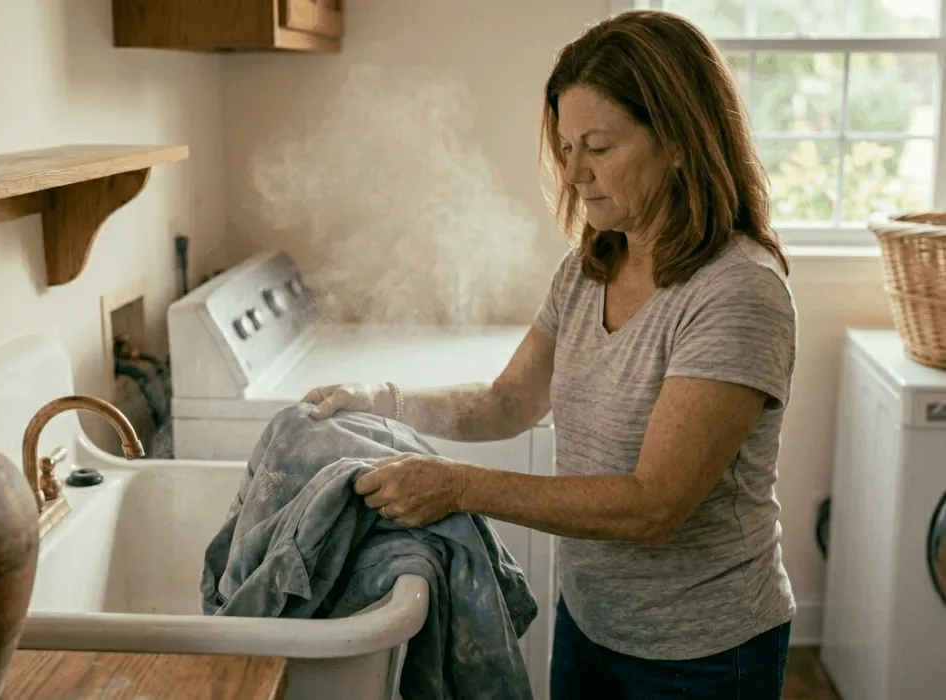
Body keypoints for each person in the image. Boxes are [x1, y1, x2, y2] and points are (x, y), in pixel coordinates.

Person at [302, 8, 797, 700]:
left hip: (705, 652)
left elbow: (654, 506)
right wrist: (381, 398)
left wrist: (459, 486)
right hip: (591, 623)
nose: (575, 174)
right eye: (566, 148)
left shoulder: (737, 291)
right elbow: (509, 401)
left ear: (681, 141)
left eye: (599, 146)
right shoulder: (588, 267)